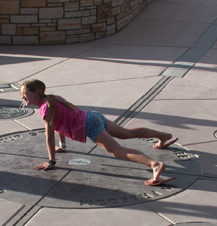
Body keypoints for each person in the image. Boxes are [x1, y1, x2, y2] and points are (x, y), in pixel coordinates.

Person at [19, 79, 179, 186]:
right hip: (92, 116)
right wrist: (63, 145)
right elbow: (61, 124)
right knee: (127, 133)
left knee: (117, 151)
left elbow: (49, 136)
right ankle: (163, 136)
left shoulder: (45, 109)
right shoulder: (53, 99)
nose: (22, 97)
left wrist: (51, 161)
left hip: (89, 125)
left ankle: (155, 165)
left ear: (35, 93)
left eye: (24, 94)